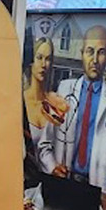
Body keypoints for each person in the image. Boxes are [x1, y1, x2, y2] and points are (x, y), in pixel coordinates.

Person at [40, 25, 106, 187]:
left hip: (96, 190)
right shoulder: (64, 90)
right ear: (82, 54)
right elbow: (44, 145)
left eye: (101, 52)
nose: (95, 60)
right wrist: (52, 167)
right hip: (62, 184)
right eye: (90, 51)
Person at [24, 36, 67, 172]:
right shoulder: (19, 101)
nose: (43, 64)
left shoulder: (55, 104)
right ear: (31, 61)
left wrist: (55, 168)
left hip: (49, 178)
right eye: (39, 57)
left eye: (48, 59)